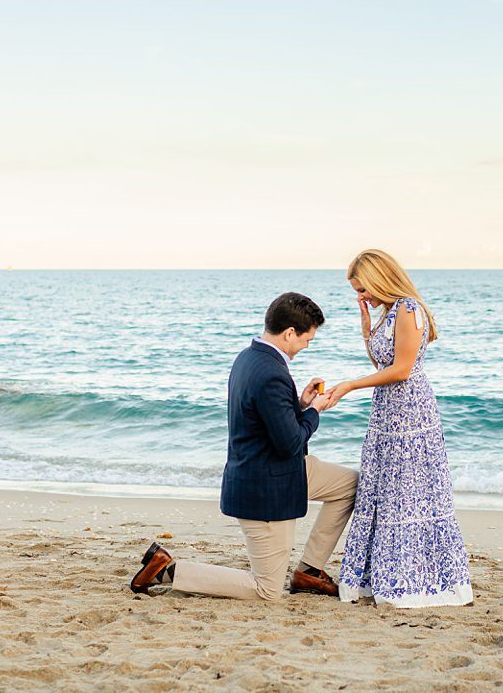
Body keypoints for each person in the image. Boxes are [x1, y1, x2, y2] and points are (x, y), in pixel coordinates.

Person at [130, 292, 358, 599]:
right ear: (290, 333)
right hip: (265, 485)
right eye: (307, 339)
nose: (306, 346)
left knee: (351, 485)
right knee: (267, 590)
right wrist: (315, 411)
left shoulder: (250, 357)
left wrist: (301, 405)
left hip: (279, 470)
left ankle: (309, 571)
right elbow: (290, 443)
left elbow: (268, 419)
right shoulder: (271, 373)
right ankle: (168, 570)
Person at [325, 249, 472, 607]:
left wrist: (349, 385)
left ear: (380, 279)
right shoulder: (389, 312)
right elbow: (383, 361)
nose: (361, 297)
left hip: (409, 412)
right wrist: (366, 328)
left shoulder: (408, 308)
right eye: (357, 292)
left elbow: (402, 369)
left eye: (363, 290)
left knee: (408, 492)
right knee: (385, 489)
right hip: (386, 412)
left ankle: (418, 582)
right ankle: (383, 578)